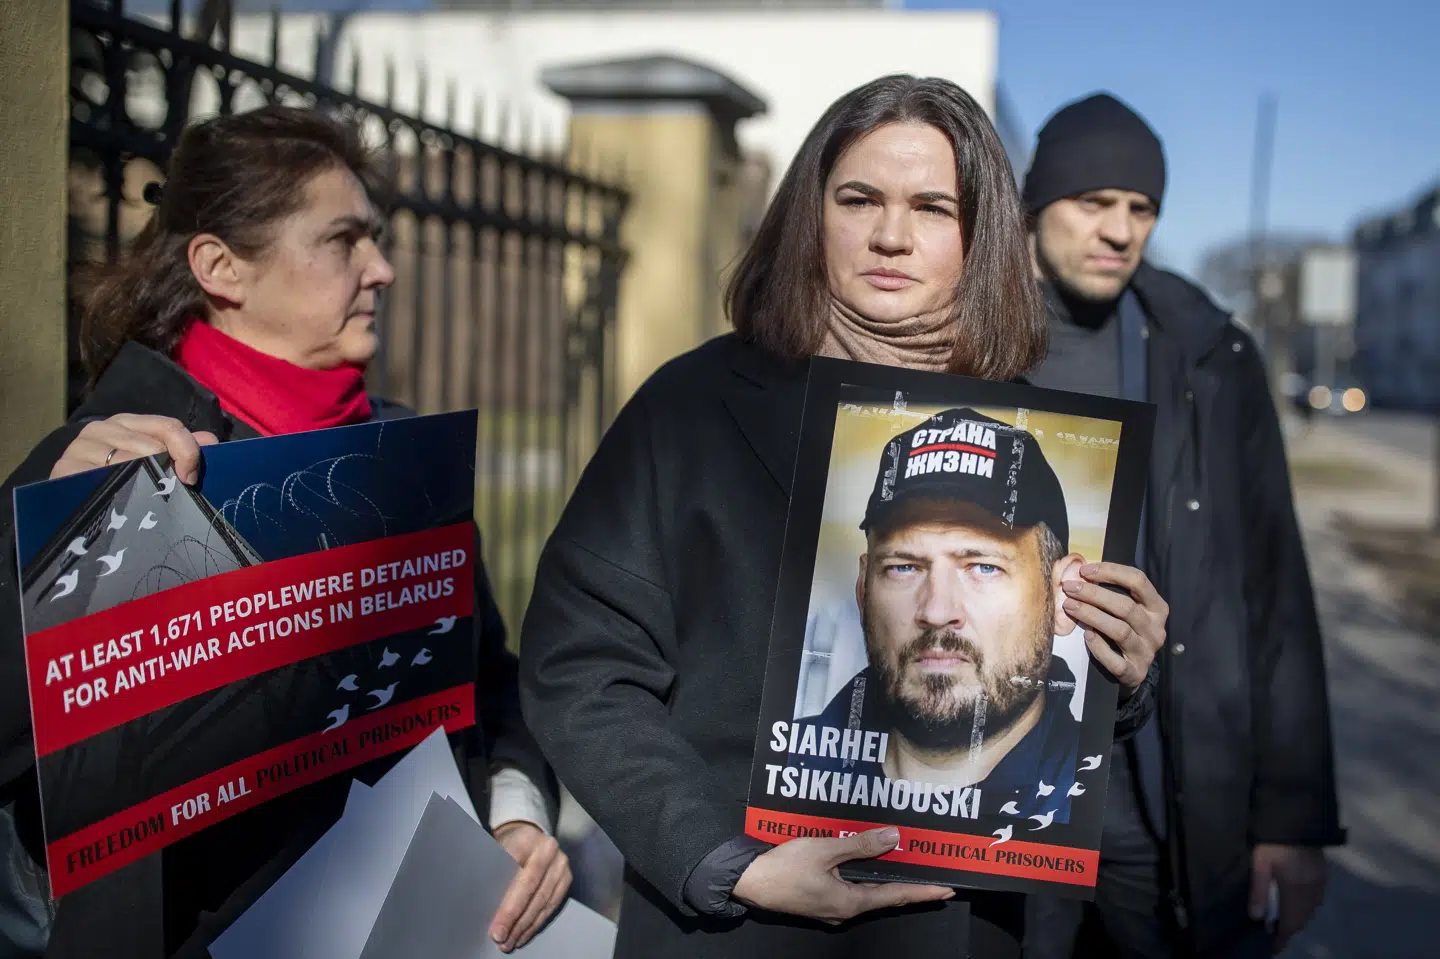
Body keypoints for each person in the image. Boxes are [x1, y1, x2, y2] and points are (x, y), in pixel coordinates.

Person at [518, 74, 1170, 959]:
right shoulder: (692, 406)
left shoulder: (1039, 438)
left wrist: (1121, 672)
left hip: (951, 927)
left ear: (979, 235)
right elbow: (581, 665)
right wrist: (721, 857)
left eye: (933, 207)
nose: (891, 236)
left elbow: (1054, 687)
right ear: (808, 213)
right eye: (858, 198)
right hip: (723, 923)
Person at [0, 105, 570, 957]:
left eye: (375, 238)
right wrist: (51, 560)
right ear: (221, 266)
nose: (381, 268)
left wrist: (517, 812)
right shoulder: (98, 462)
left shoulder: (402, 456)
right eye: (343, 240)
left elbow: (489, 681)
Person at [1016, 93, 1344, 959]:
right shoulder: (962, 340)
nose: (1119, 229)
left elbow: (1275, 593)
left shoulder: (1211, 357)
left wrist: (1294, 821)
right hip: (1001, 807)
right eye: (1094, 202)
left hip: (1159, 799)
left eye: (1141, 208)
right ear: (1034, 203)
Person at [794, 408, 1088, 822]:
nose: (936, 611)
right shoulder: (786, 773)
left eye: (984, 567)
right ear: (863, 590)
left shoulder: (1100, 801)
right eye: (903, 567)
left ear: (1061, 596)